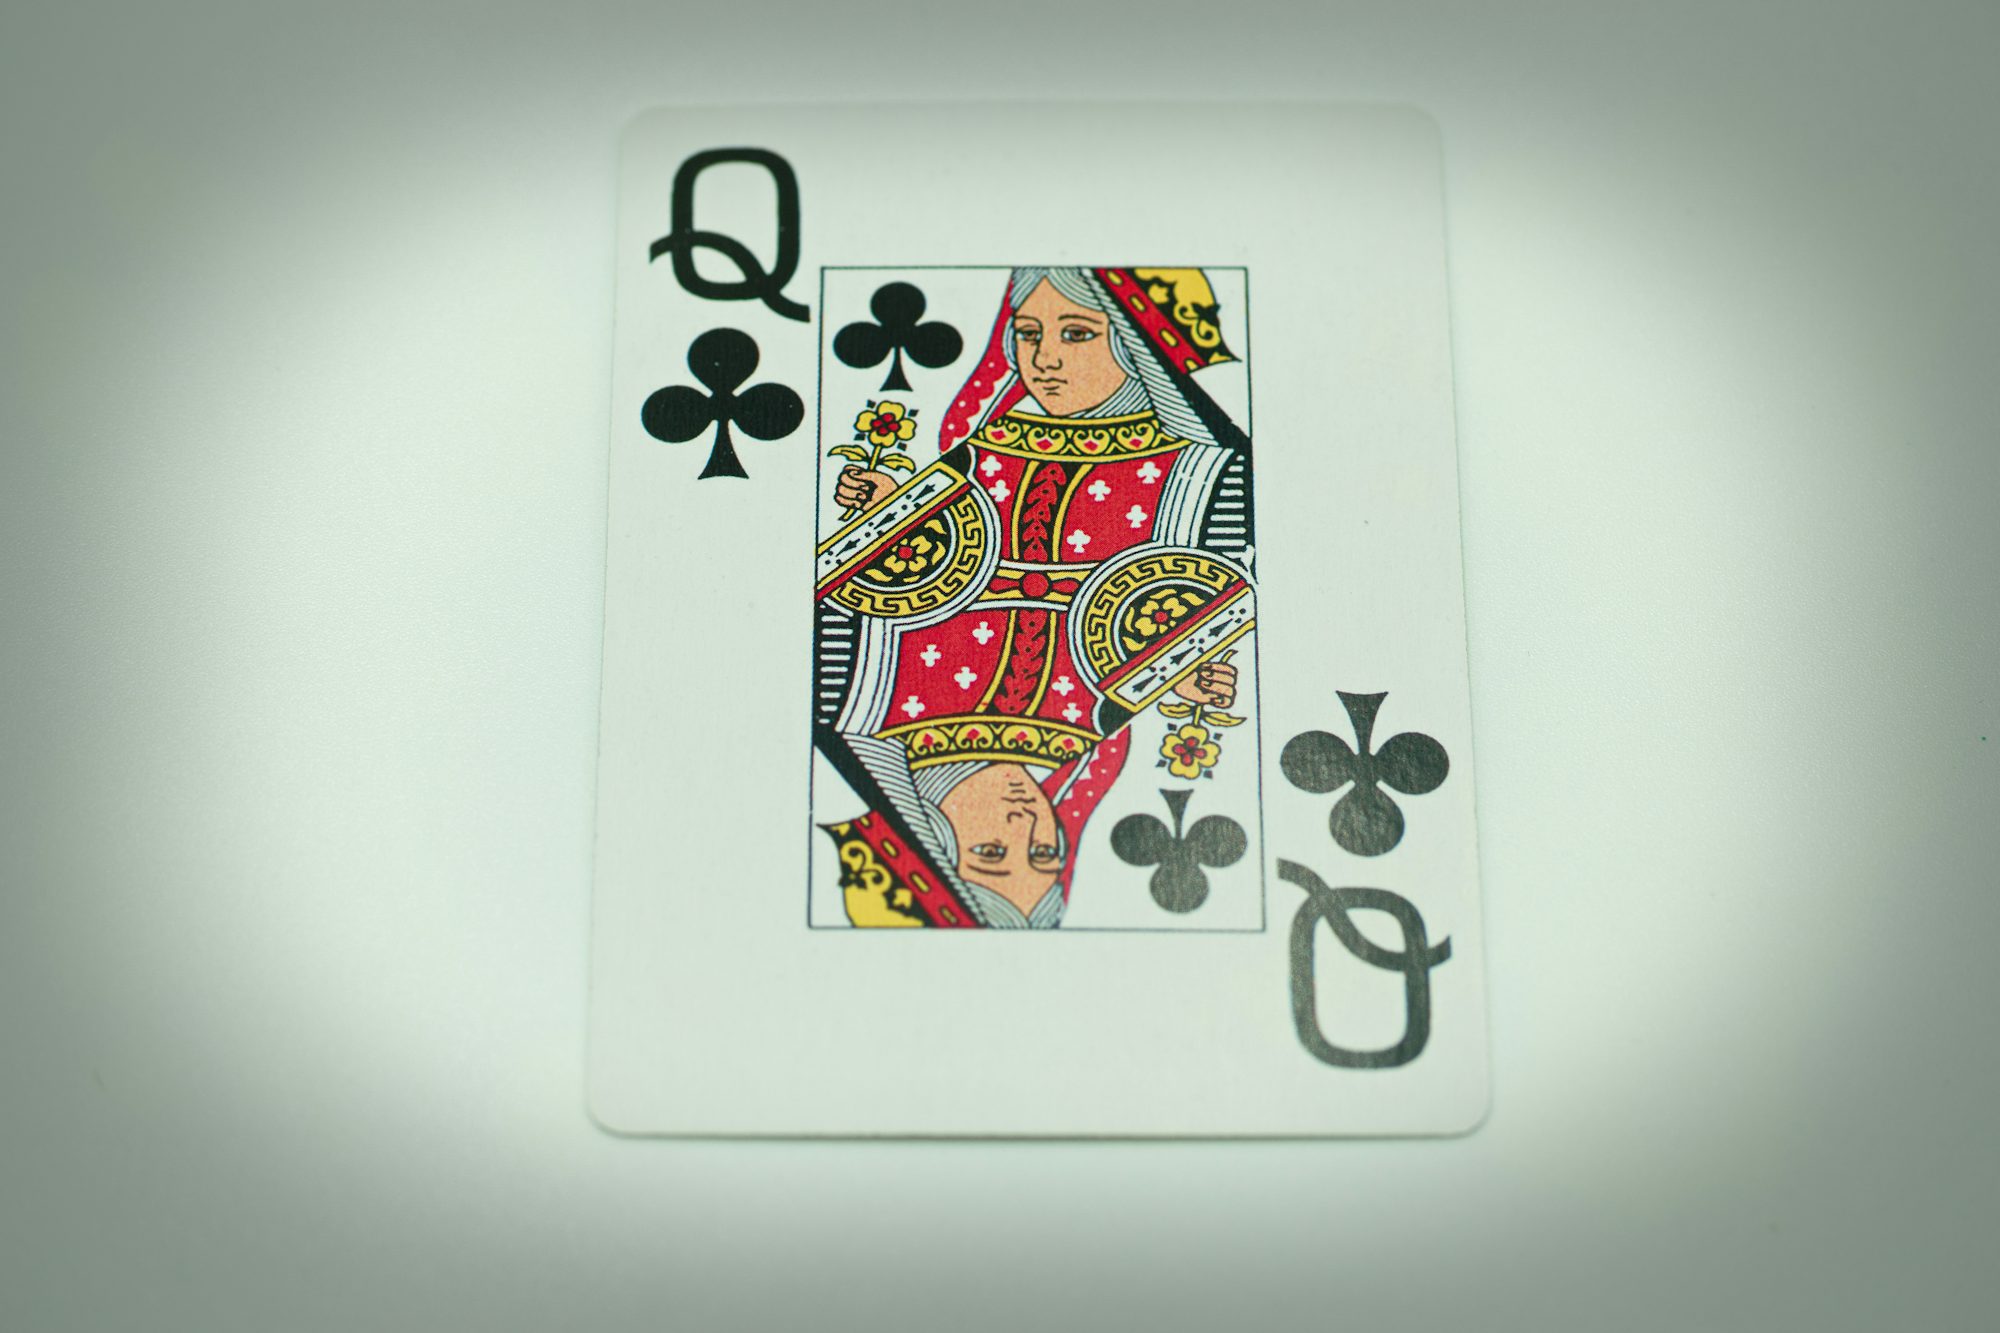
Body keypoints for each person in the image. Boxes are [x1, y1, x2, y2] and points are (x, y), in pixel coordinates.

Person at [816, 267, 1255, 928]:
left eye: (992, 851)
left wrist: (891, 525)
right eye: (1046, 851)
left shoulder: (1195, 469)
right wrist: (1175, 664)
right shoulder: (1095, 728)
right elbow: (1144, 620)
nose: (1044, 359)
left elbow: (908, 596)